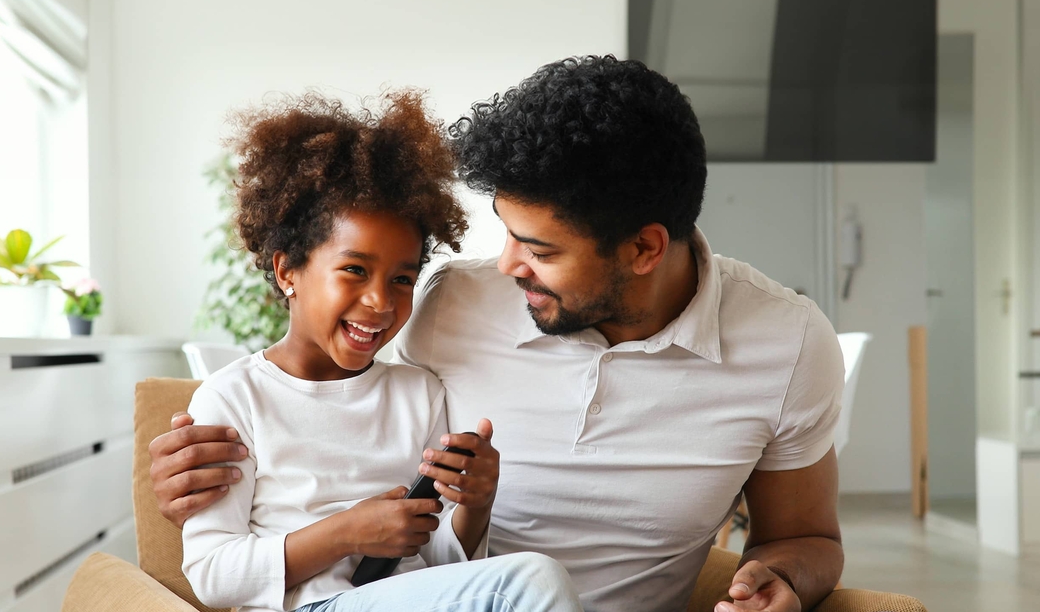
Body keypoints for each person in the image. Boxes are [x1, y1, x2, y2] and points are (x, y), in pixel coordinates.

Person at [152, 57, 844, 612]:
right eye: (505, 232)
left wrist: (782, 578)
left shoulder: (786, 345)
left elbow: (807, 539)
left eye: (539, 250)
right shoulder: (455, 303)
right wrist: (184, 461)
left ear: (643, 249)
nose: (507, 265)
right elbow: (322, 395)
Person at [178, 90, 583, 612]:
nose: (379, 302)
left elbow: (437, 563)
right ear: (287, 271)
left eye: (402, 279)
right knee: (533, 581)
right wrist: (346, 533)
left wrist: (475, 505)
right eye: (354, 270)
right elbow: (212, 575)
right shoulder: (234, 398)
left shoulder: (420, 393)